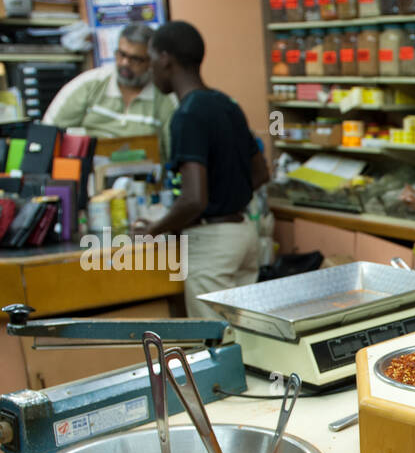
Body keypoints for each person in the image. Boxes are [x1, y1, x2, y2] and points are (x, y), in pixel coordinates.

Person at [139, 20, 269, 317]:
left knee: (215, 345)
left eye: (150, 59)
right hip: (244, 235)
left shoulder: (186, 114)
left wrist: (154, 230)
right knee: (246, 341)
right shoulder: (226, 104)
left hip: (212, 244)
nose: (150, 70)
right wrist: (228, 193)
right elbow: (261, 173)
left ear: (165, 58)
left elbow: (194, 199)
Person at [43, 24, 176, 158]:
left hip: (146, 175)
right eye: (121, 54)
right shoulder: (89, 84)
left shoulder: (165, 98)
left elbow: (175, 154)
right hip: (90, 173)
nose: (124, 63)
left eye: (135, 59)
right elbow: (47, 134)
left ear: (151, 62)